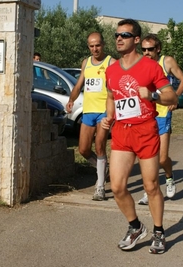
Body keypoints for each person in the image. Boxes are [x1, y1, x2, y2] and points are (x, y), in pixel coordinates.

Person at [101, 18, 178, 254]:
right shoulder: (112, 69)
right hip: (122, 132)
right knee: (117, 186)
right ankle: (135, 227)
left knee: (151, 185)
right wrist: (108, 116)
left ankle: (158, 231)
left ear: (136, 39)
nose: (119, 39)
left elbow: (172, 98)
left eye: (124, 35)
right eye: (117, 35)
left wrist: (153, 95)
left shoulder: (151, 67)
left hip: (146, 130)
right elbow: (112, 96)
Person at [137, 34, 183, 205]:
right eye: (143, 49)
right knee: (146, 156)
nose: (146, 53)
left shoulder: (167, 62)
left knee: (161, 158)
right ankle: (149, 191)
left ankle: (169, 177)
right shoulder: (139, 63)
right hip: (144, 115)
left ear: (158, 49)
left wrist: (175, 98)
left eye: (150, 49)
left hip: (163, 113)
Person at [66, 32, 116, 201]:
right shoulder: (86, 63)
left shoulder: (111, 62)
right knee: (83, 149)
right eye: (91, 46)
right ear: (88, 46)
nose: (95, 49)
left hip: (104, 110)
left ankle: (100, 187)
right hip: (88, 111)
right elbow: (79, 83)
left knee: (100, 146)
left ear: (103, 45)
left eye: (98, 45)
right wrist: (71, 100)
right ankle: (103, 168)